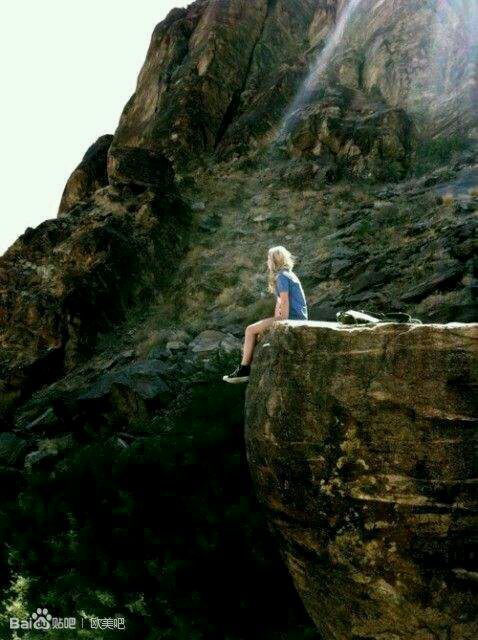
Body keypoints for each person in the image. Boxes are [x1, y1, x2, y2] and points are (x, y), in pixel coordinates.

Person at [223, 246, 308, 384]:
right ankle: (246, 368)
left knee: (250, 330)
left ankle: (244, 369)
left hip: (292, 318)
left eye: (269, 258)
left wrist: (282, 320)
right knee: (258, 330)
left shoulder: (282, 276)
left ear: (274, 261)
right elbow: (279, 302)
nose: (267, 261)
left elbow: (284, 300)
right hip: (298, 316)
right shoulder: (288, 274)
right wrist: (275, 319)